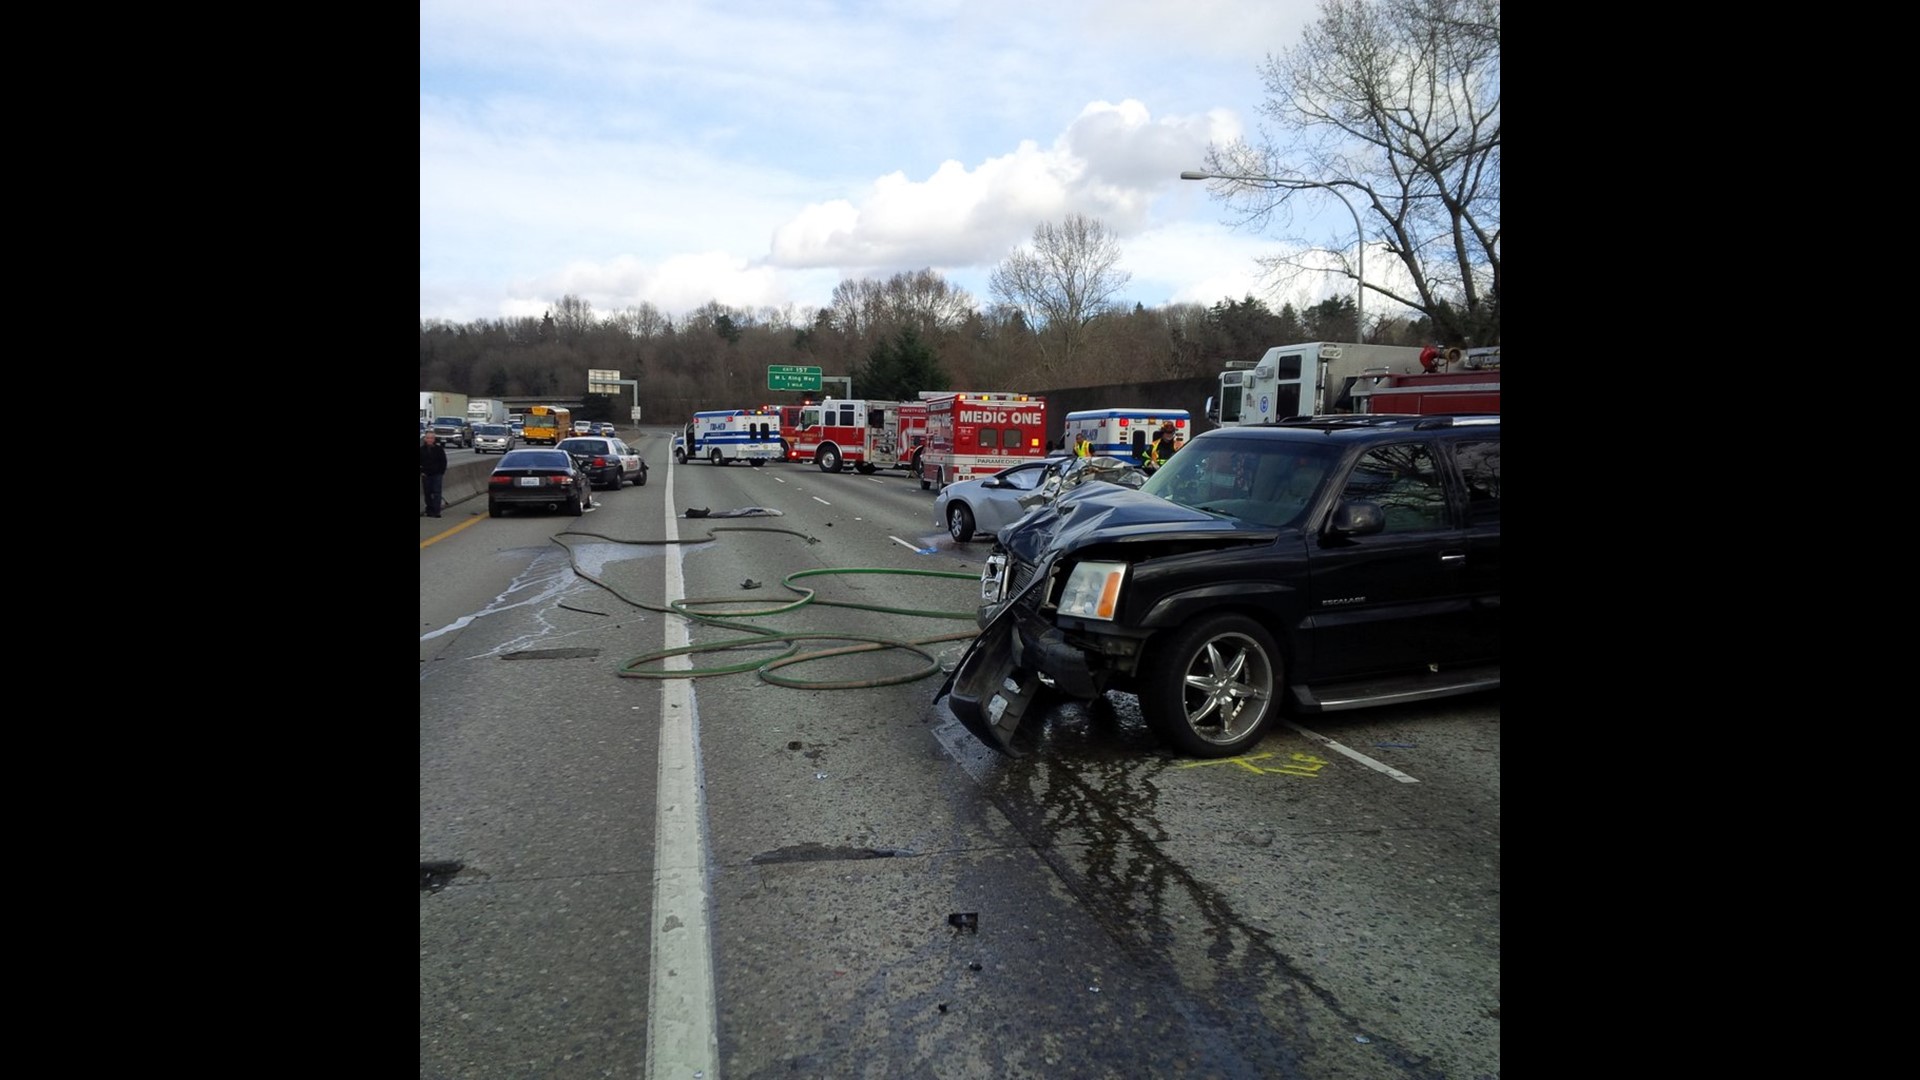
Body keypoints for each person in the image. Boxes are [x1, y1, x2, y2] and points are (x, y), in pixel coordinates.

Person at [419, 431, 448, 517]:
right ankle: (429, 509)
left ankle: (436, 511)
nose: (429, 440)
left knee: (437, 492)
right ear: (425, 439)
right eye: (428, 438)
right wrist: (422, 472)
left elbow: (443, 461)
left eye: (431, 438)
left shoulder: (439, 449)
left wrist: (441, 472)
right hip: (426, 474)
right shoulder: (421, 450)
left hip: (437, 474)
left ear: (434, 439)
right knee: (427, 493)